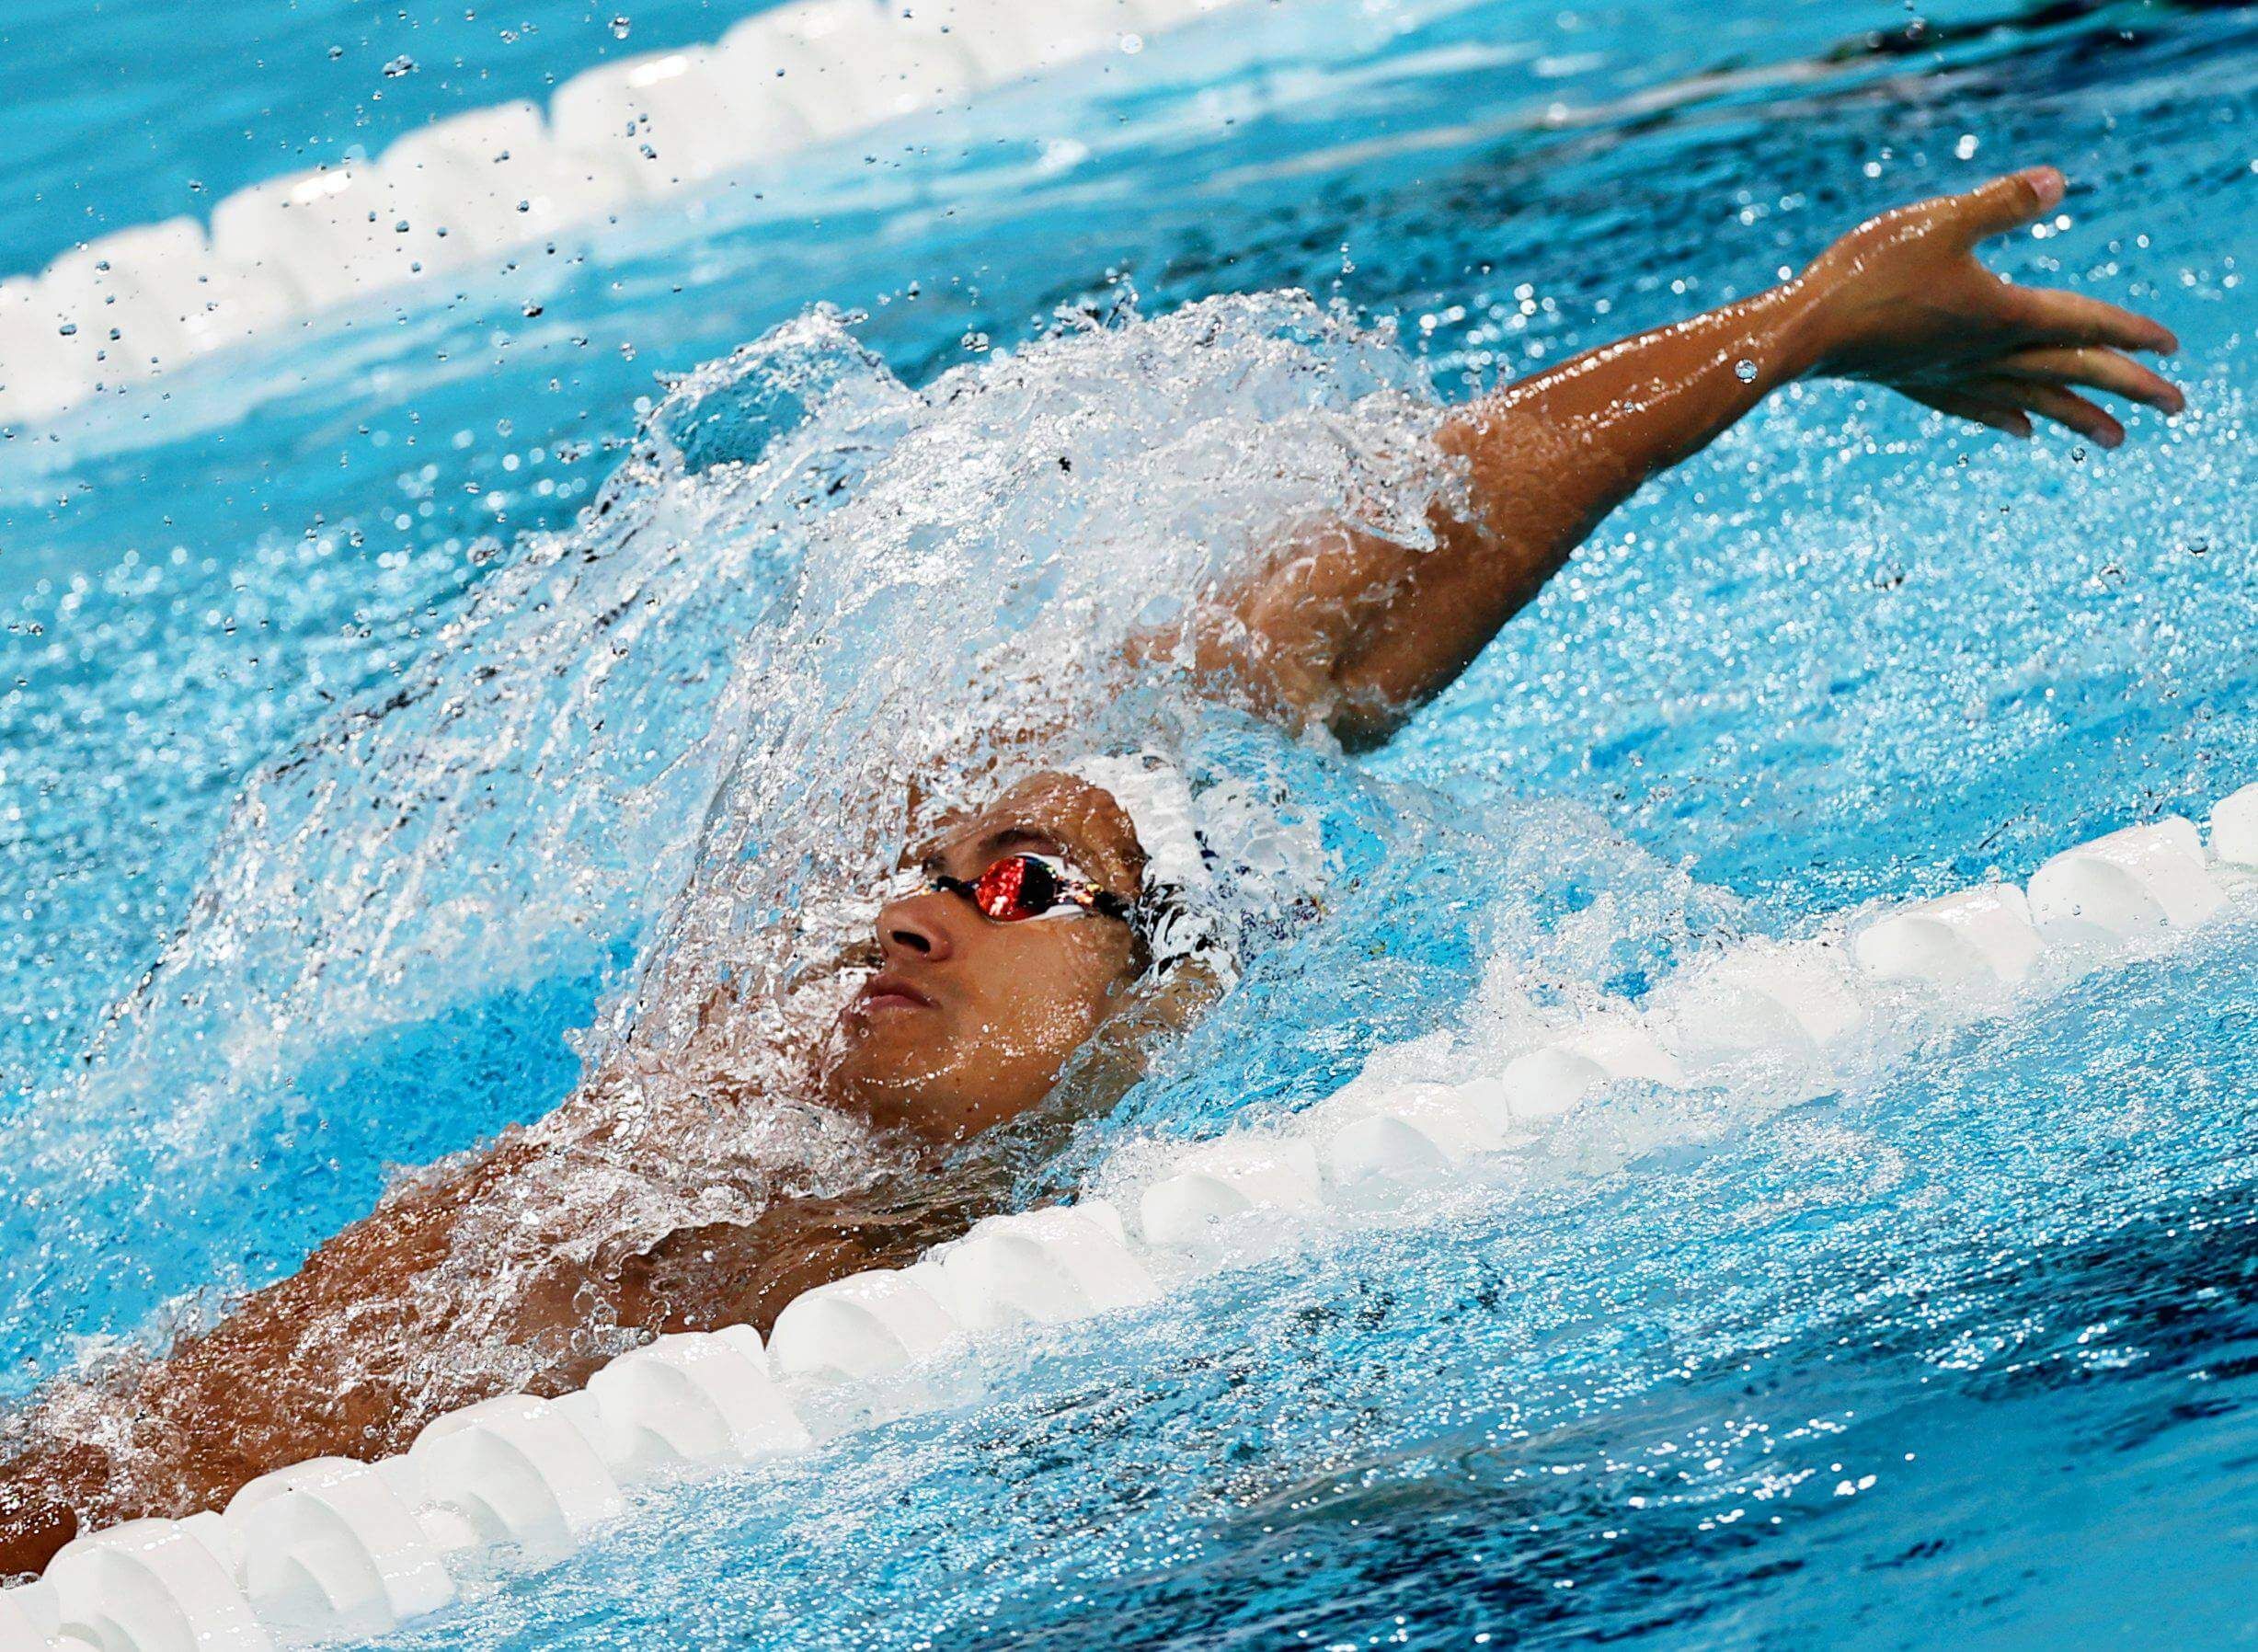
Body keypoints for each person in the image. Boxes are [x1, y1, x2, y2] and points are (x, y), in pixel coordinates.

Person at [0, 167, 2183, 1575]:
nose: (924, 899)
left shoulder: (956, 1306)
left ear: (1170, 1001)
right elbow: (1332, 605)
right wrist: (1777, 336)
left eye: (1026, 883)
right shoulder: (730, 1056)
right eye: (927, 867)